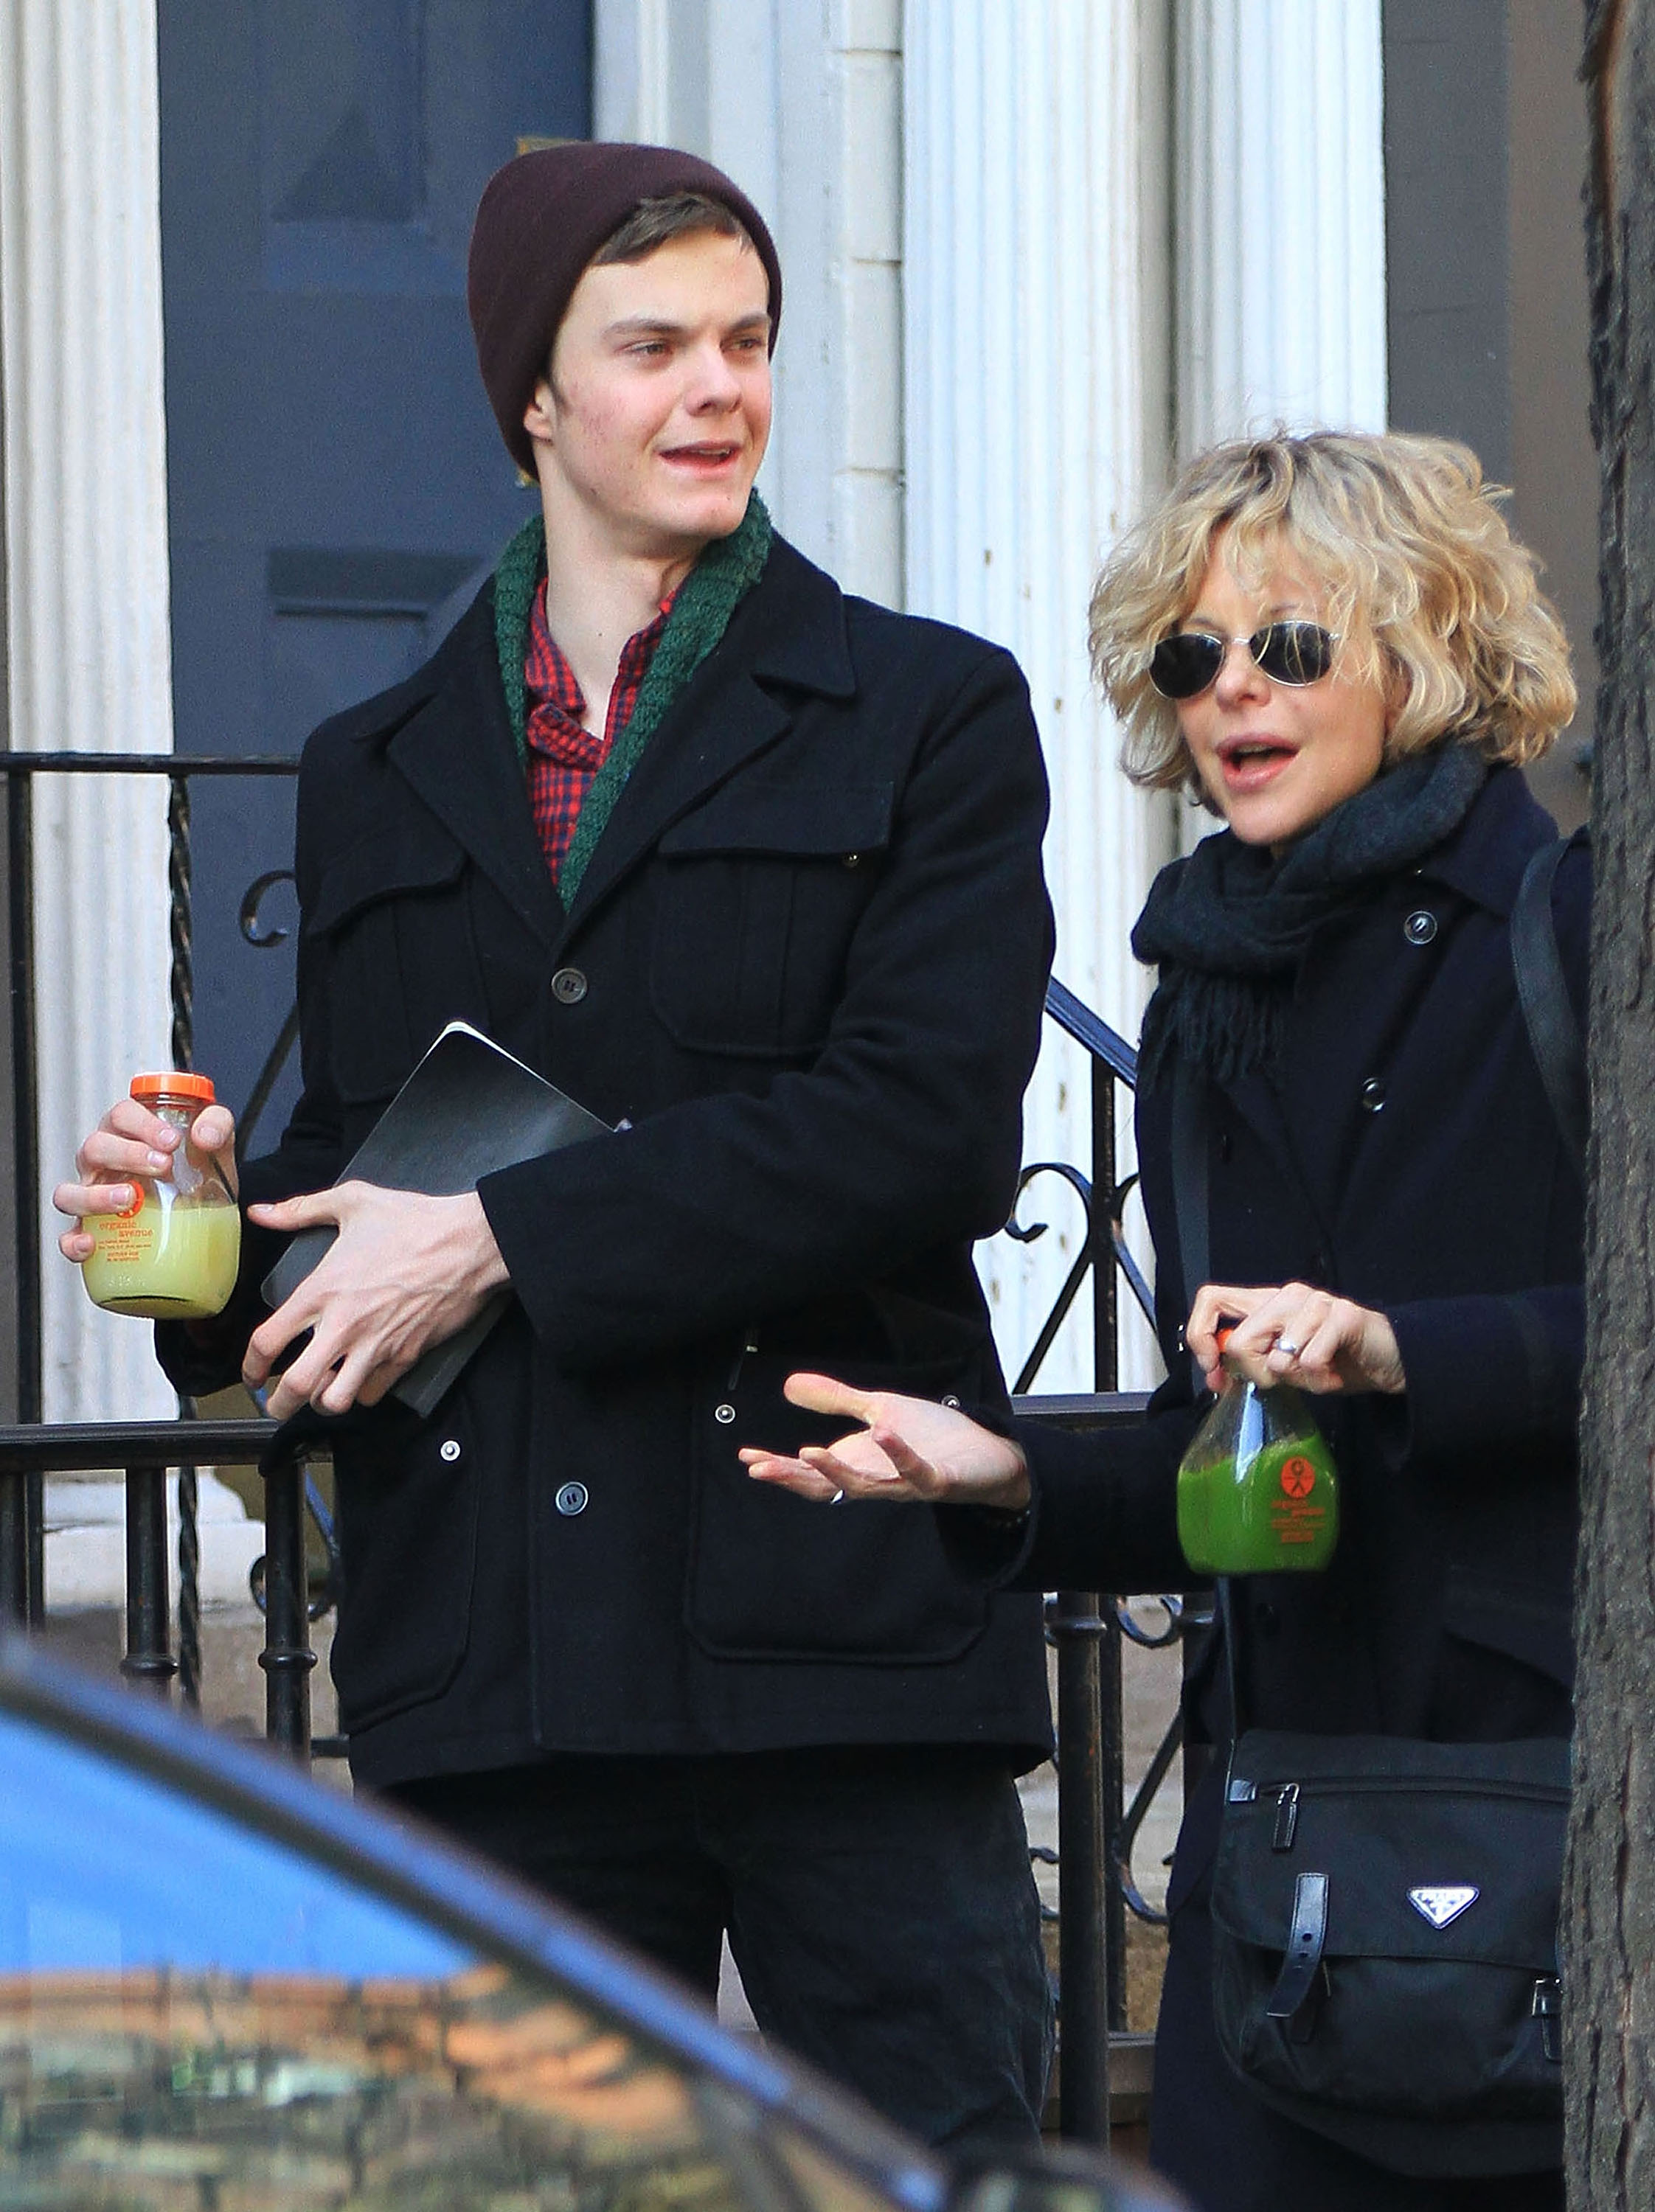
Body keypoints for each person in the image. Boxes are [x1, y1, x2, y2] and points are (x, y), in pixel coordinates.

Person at [52, 142, 1058, 2150]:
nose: (721, 389)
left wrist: (502, 1234)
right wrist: (209, 1250)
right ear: (531, 390)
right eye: (654, 345)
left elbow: (922, 1130)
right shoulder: (379, 767)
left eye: (749, 340)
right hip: (492, 1675)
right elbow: (375, 1189)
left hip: (833, 1633)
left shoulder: (922, 713)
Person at [741, 431, 1586, 2211]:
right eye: (1190, 658)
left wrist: (1403, 1351)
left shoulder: (1566, 929)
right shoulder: (1211, 985)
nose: (1230, 697)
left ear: (1426, 647)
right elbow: (1246, 1430)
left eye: (1290, 645)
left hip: (1521, 1826)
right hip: (1275, 1848)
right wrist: (1001, 1476)